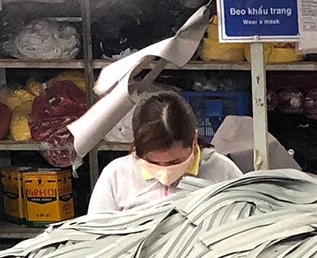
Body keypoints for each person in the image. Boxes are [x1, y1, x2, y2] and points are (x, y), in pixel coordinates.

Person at [88, 91, 243, 215]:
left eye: (175, 162)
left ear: (194, 140)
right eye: (153, 163)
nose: (165, 172)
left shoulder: (223, 171)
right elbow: (96, 234)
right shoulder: (116, 175)